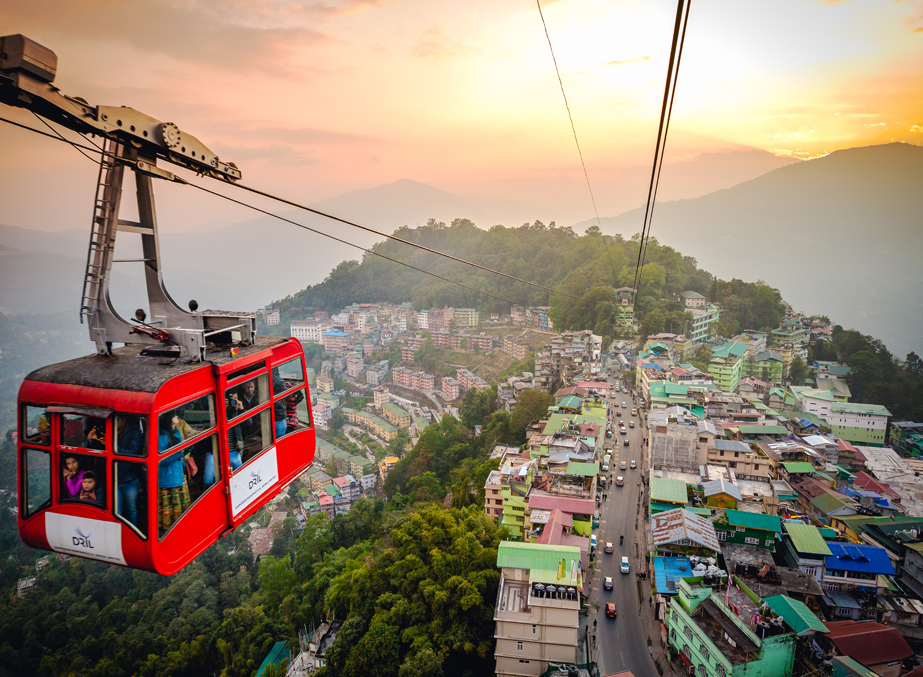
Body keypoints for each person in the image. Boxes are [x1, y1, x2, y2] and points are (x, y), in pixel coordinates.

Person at [158, 412, 191, 532]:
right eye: (175, 415)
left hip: (179, 475)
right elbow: (161, 460)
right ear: (168, 419)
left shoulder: (176, 431)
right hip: (168, 479)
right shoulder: (160, 436)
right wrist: (180, 453)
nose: (178, 417)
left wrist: (188, 448)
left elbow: (180, 452)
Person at [115, 415, 145, 528]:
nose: (114, 422)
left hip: (129, 478)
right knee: (117, 511)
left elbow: (132, 452)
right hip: (113, 478)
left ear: (124, 419)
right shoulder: (107, 430)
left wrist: (112, 446)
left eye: (117, 419)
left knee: (131, 509)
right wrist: (90, 439)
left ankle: (133, 532)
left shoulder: (134, 432)